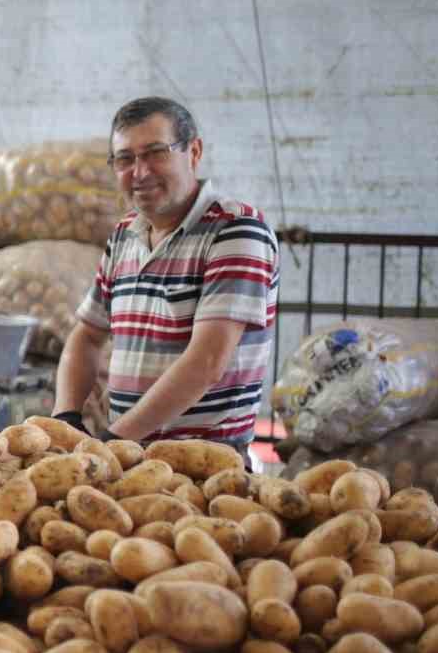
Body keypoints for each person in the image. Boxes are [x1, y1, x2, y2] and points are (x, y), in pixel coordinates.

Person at [50, 96, 279, 461]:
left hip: (205, 465)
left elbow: (207, 361)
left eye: (155, 153)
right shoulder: (125, 234)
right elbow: (87, 336)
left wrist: (111, 439)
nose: (139, 172)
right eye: (125, 159)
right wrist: (65, 418)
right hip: (129, 457)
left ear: (194, 151)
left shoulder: (236, 231)